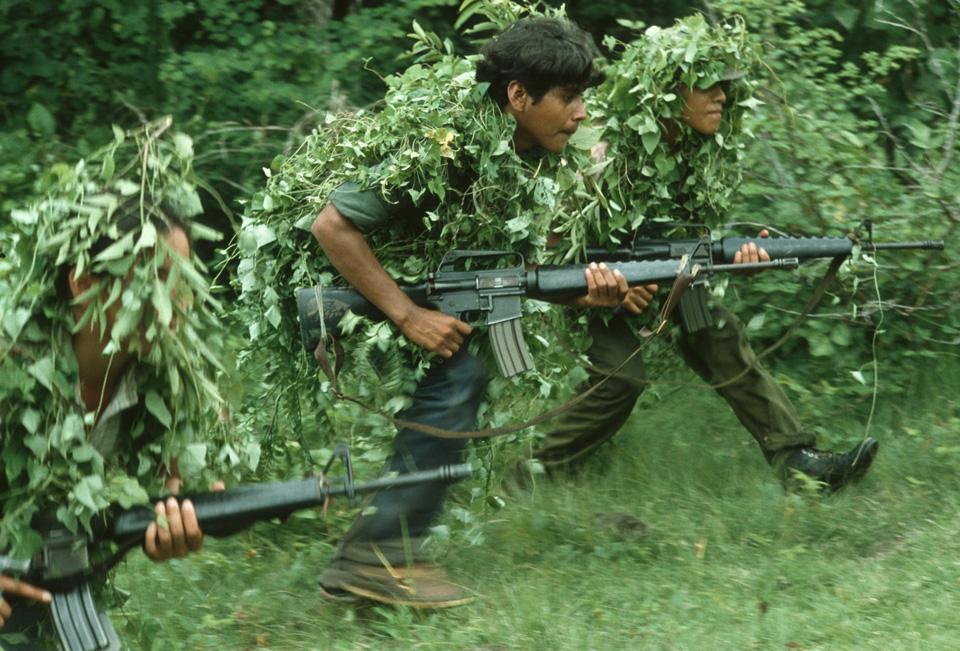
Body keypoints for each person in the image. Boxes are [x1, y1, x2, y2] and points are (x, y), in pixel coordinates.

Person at [301, 16, 635, 607]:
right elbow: (333, 226)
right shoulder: (442, 139)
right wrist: (407, 315)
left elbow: (509, 267)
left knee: (465, 376)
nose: (581, 113)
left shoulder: (532, 152)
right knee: (462, 377)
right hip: (363, 291)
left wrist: (583, 291)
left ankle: (377, 553)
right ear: (516, 95)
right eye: (568, 98)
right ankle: (375, 556)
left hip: (432, 291)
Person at [516, 15, 878, 494]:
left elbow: (686, 241)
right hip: (585, 289)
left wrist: (740, 256)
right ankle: (525, 480)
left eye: (725, 88)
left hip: (660, 279)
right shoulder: (601, 150)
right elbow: (547, 249)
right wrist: (608, 287)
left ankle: (798, 462)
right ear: (669, 91)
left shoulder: (695, 153)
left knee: (715, 331)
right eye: (708, 86)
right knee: (620, 380)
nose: (722, 98)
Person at [0, 131, 246, 647]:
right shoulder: (9, 362)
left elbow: (164, 492)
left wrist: (167, 520)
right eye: (155, 277)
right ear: (83, 281)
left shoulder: (167, 382)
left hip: (47, 592)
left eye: (183, 278)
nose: (177, 301)